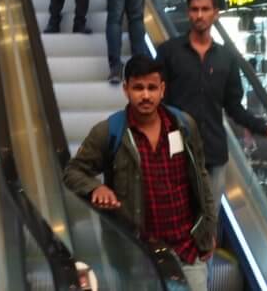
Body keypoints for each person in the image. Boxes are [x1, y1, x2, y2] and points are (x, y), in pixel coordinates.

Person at [63, 55, 216, 291]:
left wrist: (208, 229)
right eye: (138, 88)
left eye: (152, 88)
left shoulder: (184, 125)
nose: (146, 95)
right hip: (138, 256)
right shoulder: (110, 132)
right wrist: (96, 187)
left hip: (187, 250)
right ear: (126, 90)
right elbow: (73, 172)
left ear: (162, 89)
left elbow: (201, 177)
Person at [158, 0, 267, 205]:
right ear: (188, 12)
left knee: (210, 223)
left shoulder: (226, 58)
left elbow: (235, 109)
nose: (199, 15)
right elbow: (158, 103)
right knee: (176, 220)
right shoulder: (169, 52)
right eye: (194, 9)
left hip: (214, 154)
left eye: (205, 9)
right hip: (177, 154)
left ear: (215, 14)